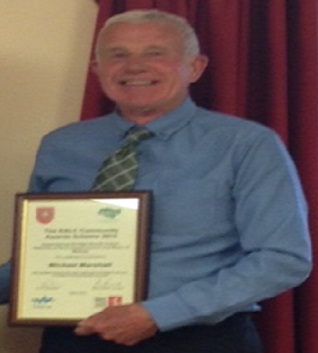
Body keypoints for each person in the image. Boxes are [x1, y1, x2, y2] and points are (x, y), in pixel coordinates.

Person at [0, 9, 312, 353]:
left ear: (195, 67)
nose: (134, 67)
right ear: (97, 69)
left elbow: (282, 258)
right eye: (117, 55)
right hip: (75, 338)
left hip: (199, 340)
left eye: (155, 54)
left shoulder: (247, 145)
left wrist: (159, 314)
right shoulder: (61, 145)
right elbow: (42, 255)